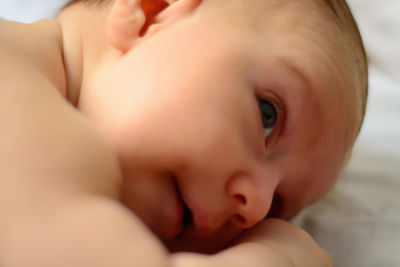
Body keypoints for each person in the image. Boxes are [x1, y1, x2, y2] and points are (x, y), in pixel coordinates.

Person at [0, 0, 367, 265]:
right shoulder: (16, 84)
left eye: (277, 209)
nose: (254, 207)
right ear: (152, 13)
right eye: (267, 116)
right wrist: (278, 257)